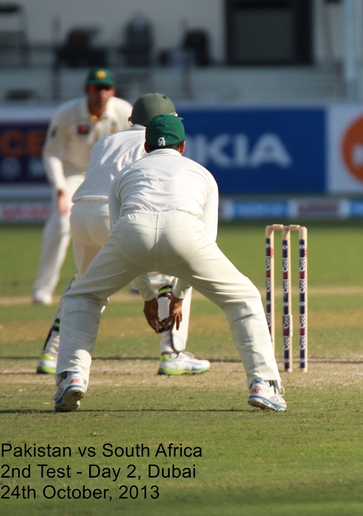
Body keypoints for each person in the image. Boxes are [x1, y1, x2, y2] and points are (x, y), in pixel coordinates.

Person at [53, 114, 285, 413]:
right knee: (243, 299)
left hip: (133, 231)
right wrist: (178, 295)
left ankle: (72, 376)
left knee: (83, 295)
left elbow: (117, 236)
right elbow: (206, 239)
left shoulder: (125, 174)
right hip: (184, 233)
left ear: (146, 146)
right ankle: (262, 384)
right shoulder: (201, 173)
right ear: (183, 146)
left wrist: (148, 296)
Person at [36, 93, 211, 377]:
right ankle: (173, 354)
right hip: (115, 214)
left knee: (84, 286)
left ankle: (52, 354)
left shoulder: (106, 140)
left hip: (81, 215)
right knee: (170, 277)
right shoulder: (155, 144)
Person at [32, 68, 131, 305]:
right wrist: (60, 188)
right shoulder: (67, 113)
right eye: (96, 88)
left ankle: (141, 282)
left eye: (106, 88)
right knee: (60, 222)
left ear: (113, 90)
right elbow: (52, 153)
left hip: (109, 174)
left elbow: (135, 146)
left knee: (129, 220)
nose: (102, 93)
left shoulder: (124, 111)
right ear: (87, 90)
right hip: (75, 174)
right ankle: (43, 288)